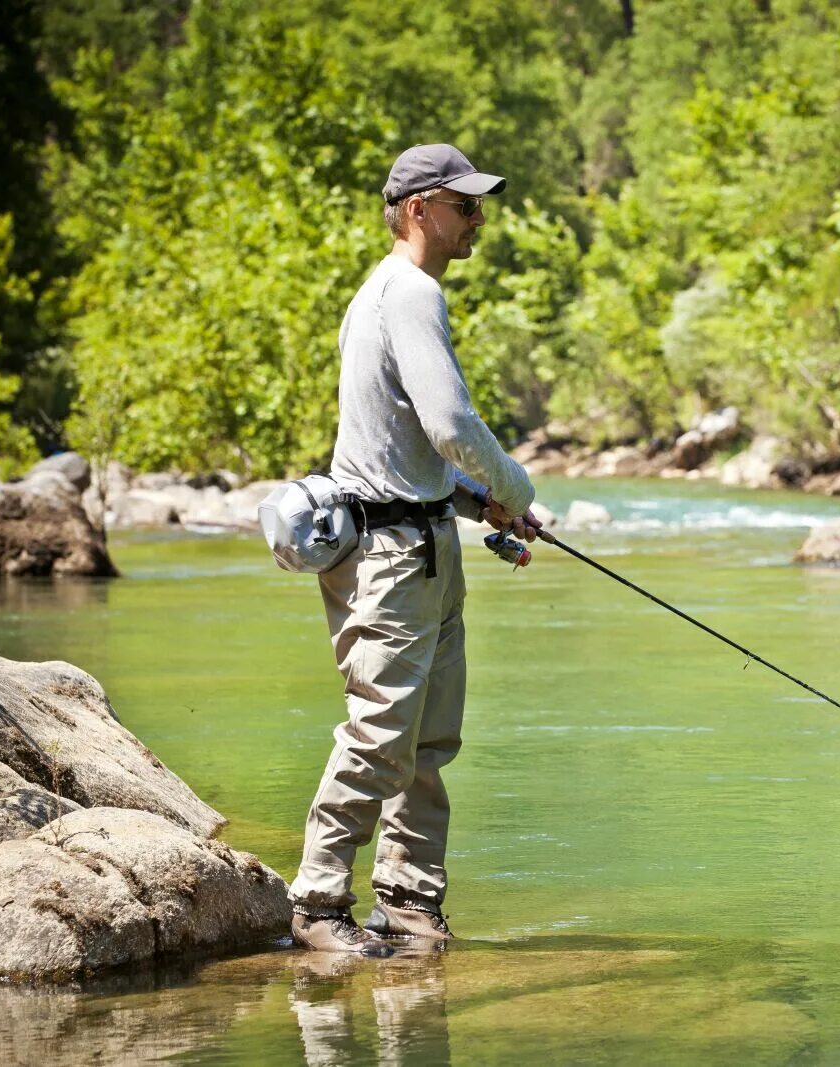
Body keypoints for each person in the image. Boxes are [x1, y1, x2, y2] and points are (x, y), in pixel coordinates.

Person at [288, 143, 542, 954]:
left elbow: (405, 450)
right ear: (418, 208)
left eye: (480, 207)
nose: (479, 221)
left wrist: (482, 504)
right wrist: (518, 484)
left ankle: (406, 899)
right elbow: (450, 424)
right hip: (393, 557)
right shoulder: (408, 293)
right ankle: (318, 901)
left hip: (422, 540)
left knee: (428, 740)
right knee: (381, 733)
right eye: (466, 206)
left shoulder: (388, 294)